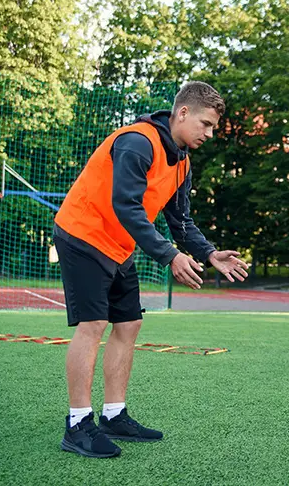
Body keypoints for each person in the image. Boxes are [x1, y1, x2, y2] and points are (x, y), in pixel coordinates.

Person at [53, 81, 249, 458]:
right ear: (183, 113)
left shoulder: (182, 162)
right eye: (205, 124)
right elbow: (127, 207)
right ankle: (78, 424)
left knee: (128, 324)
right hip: (83, 233)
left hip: (118, 244)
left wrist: (208, 254)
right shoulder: (137, 142)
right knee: (92, 325)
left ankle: (114, 415)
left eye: (213, 128)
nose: (209, 134)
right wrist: (169, 256)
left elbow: (181, 222)